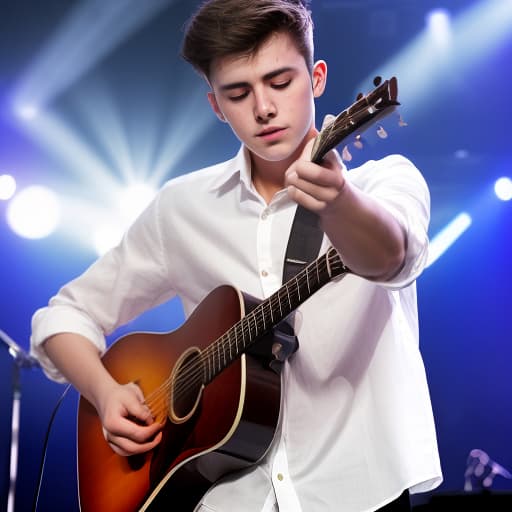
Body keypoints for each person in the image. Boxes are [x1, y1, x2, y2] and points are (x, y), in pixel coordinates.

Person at [30, 0, 442, 510]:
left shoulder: (384, 182)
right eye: (238, 93)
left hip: (360, 489)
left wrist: (340, 202)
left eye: (280, 82)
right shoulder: (180, 208)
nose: (263, 108)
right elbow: (64, 316)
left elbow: (392, 258)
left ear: (316, 78)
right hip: (225, 497)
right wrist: (105, 393)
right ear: (215, 106)